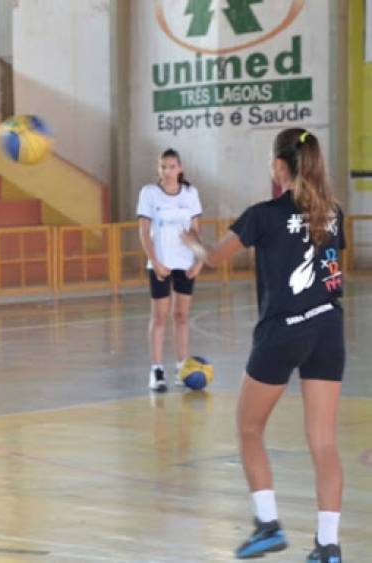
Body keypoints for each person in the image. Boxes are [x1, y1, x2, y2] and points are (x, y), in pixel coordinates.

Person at [181, 128, 345, 562]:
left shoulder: (263, 214)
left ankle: (268, 524)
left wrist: (192, 242)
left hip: (283, 331)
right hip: (328, 328)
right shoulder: (334, 213)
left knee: (249, 427)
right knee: (324, 443)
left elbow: (215, 257)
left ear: (279, 167)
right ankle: (328, 547)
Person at [136, 148, 203, 392]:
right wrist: (155, 261)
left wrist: (198, 260)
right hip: (161, 264)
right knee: (160, 317)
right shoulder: (149, 193)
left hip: (185, 263)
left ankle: (182, 367)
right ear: (159, 169)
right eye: (163, 167)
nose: (167, 171)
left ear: (180, 168)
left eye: (172, 167)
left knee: (182, 316)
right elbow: (144, 231)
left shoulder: (190, 193)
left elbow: (195, 229)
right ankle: (156, 370)